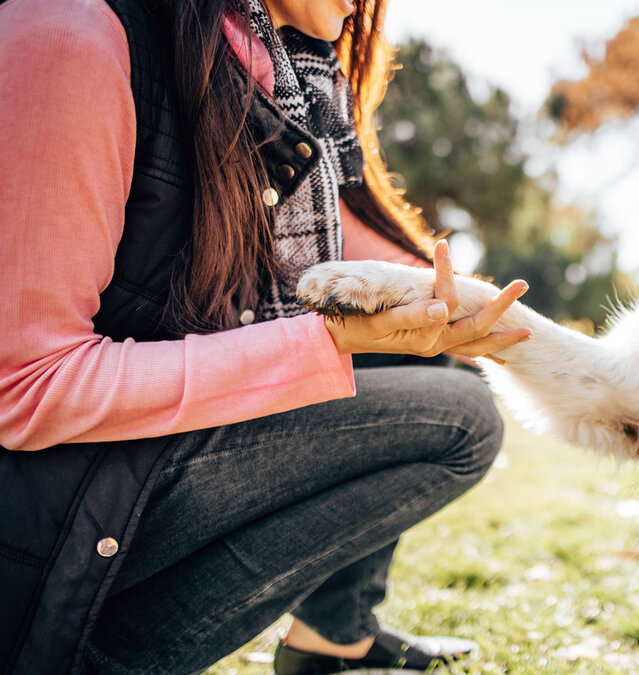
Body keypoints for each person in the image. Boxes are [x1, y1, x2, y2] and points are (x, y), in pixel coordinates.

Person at [0, 0, 531, 672]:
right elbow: (26, 389)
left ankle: (334, 642)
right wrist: (327, 343)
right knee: (459, 419)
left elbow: (374, 259)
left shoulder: (267, 74)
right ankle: (102, 655)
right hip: (46, 533)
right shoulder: (69, 38)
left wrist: (491, 319)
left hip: (122, 470)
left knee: (420, 351)